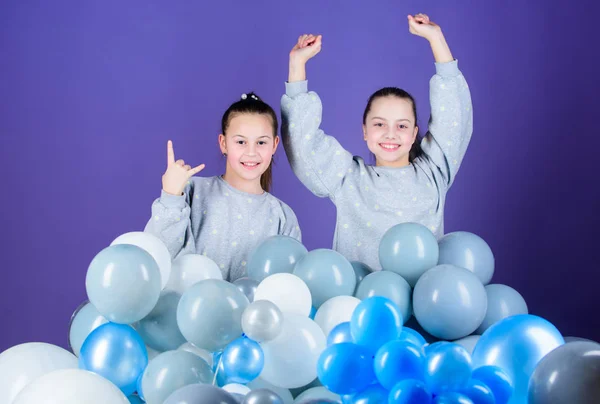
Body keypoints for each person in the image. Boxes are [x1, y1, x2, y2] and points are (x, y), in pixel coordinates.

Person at [281, 14, 473, 270]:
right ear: (364, 131)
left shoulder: (434, 173)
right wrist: (297, 64)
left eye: (402, 126)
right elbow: (303, 144)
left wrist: (435, 38)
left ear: (415, 133)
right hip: (361, 305)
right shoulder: (349, 179)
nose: (390, 134)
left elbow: (455, 117)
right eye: (380, 124)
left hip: (423, 306)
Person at [145, 93, 301, 281]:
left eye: (261, 142)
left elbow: (286, 285)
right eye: (241, 142)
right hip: (187, 307)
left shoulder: (282, 217)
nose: (251, 152)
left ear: (274, 145)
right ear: (223, 143)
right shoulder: (191, 191)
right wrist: (171, 197)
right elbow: (161, 258)